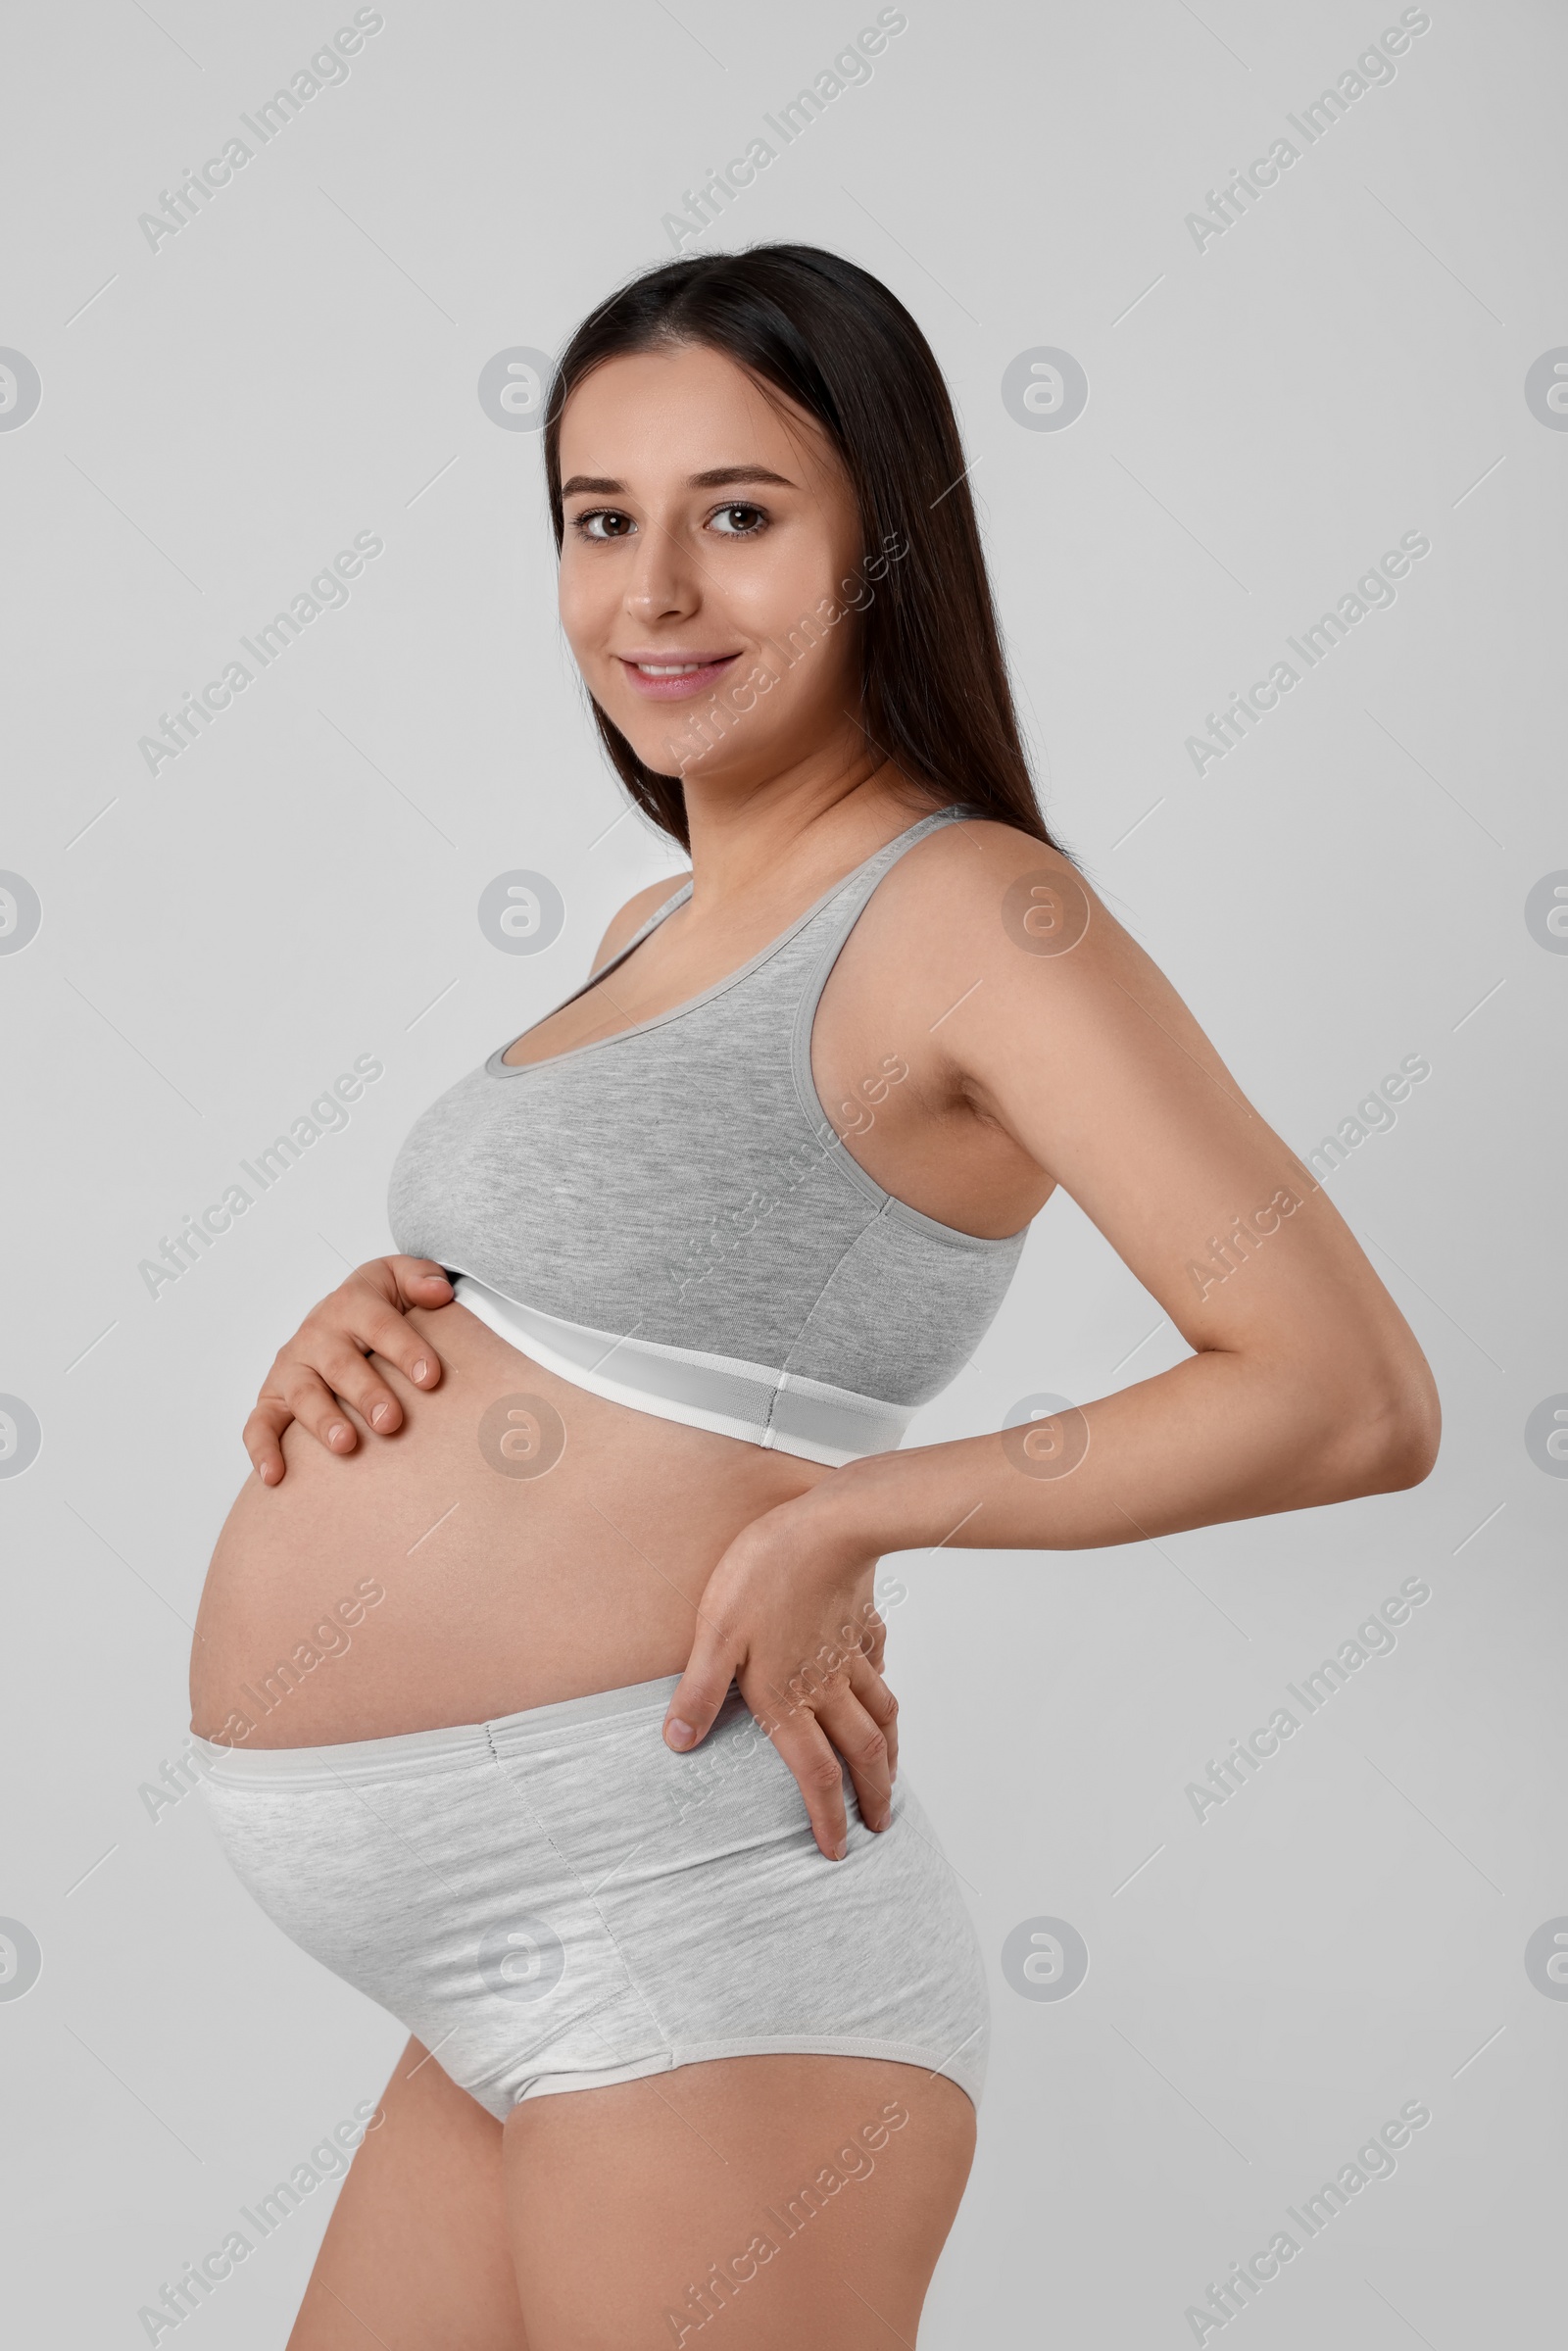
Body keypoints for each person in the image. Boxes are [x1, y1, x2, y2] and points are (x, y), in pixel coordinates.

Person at [187, 244, 1440, 2350]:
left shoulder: (972, 911)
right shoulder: (655, 912)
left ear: (883, 545)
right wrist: (396, 1305)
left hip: (689, 1939)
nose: (651, 592)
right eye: (601, 522)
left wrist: (851, 1515)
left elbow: (1339, 1391)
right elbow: (658, 1301)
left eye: (737, 517)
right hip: (503, 1957)